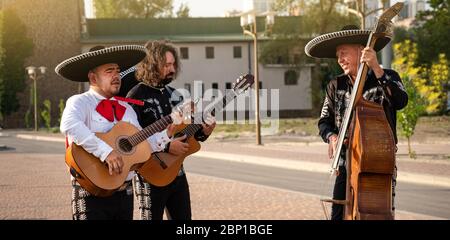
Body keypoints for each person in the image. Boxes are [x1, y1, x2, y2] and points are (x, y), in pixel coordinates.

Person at [57, 45, 174, 220]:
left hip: (124, 194)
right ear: (93, 77)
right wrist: (106, 152)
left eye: (118, 71)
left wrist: (167, 135)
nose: (116, 76)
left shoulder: (127, 109)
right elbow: (69, 124)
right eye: (109, 71)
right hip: (90, 192)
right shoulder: (80, 102)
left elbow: (141, 144)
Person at [304, 25, 408, 220]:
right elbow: (324, 121)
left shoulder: (388, 76)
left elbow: (400, 101)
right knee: (338, 215)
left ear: (361, 51)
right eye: (337, 55)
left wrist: (377, 68)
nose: (340, 60)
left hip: (378, 163)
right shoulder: (336, 85)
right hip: (345, 164)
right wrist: (332, 136)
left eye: (343, 53)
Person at [126, 40, 216, 220]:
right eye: (166, 65)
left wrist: (204, 131)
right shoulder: (135, 96)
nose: (172, 69)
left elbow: (187, 134)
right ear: (152, 65)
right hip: (150, 175)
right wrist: (167, 147)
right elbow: (133, 139)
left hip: (178, 174)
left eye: (173, 64)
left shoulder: (176, 94)